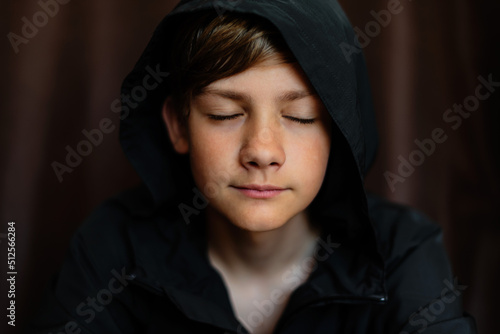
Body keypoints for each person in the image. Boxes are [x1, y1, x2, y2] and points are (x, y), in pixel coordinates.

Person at [29, 0, 477, 333]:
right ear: (178, 126)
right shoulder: (111, 247)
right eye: (224, 114)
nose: (262, 151)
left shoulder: (404, 251)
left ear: (340, 133)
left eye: (301, 117)